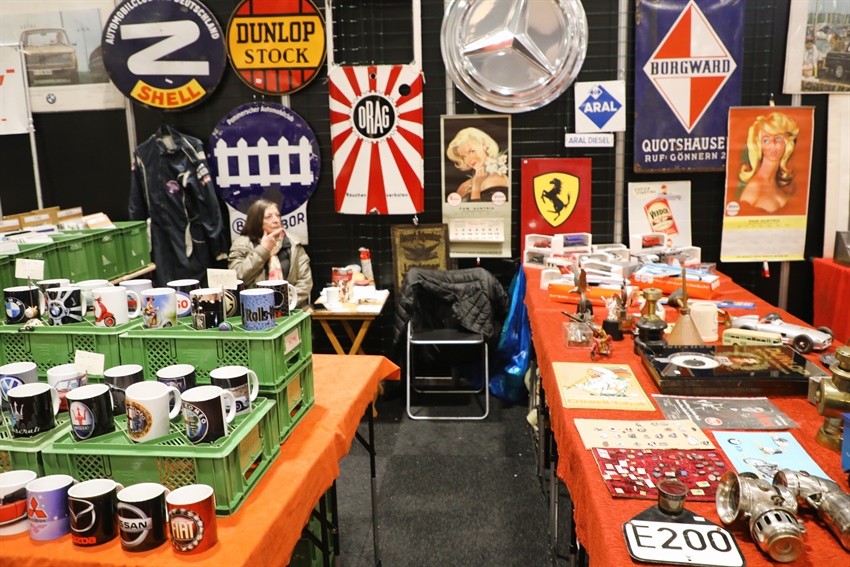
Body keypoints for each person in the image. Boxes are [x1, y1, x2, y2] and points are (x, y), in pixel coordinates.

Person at [228, 199, 313, 309]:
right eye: (268, 217)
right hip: (255, 310)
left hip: (291, 308)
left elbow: (305, 282)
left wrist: (283, 304)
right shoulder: (242, 244)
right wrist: (263, 250)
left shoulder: (293, 244)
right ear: (256, 221)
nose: (276, 220)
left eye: (277, 215)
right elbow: (238, 278)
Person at [737, 112, 799, 214]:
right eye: (766, 140)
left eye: (778, 138)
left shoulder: (777, 183)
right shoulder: (754, 187)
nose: (773, 144)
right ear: (759, 145)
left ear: (786, 143)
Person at [446, 127, 509, 202]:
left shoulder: (495, 180)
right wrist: (460, 194)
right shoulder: (473, 181)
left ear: (484, 144)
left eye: (472, 151)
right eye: (464, 157)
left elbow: (485, 209)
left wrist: (476, 188)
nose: (468, 160)